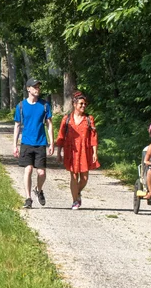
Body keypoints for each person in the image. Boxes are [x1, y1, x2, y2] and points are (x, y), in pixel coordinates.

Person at [13, 78, 54, 208]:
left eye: (38, 87)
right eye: (35, 87)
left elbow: (49, 125)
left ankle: (38, 189)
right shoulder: (20, 106)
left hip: (41, 142)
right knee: (28, 169)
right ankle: (28, 198)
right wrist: (15, 145)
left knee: (41, 172)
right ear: (28, 89)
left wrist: (51, 143)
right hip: (26, 142)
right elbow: (17, 125)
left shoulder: (45, 105)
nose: (37, 89)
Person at [56, 91, 99, 209]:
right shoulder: (67, 119)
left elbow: (93, 137)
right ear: (74, 104)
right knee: (74, 177)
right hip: (71, 151)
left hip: (85, 151)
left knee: (84, 178)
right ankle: (75, 200)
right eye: (81, 104)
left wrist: (95, 152)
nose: (83, 106)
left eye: (85, 104)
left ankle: (77, 192)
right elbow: (60, 136)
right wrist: (59, 152)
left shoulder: (89, 119)